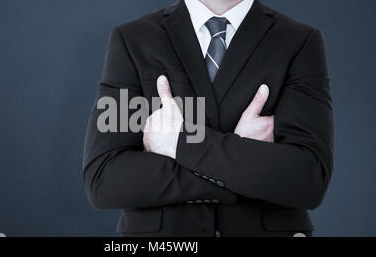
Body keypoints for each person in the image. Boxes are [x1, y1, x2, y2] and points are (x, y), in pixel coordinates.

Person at [83, 0, 334, 237]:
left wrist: (178, 143)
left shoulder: (299, 41)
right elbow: (105, 179)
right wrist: (241, 159)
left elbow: (307, 179)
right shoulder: (133, 39)